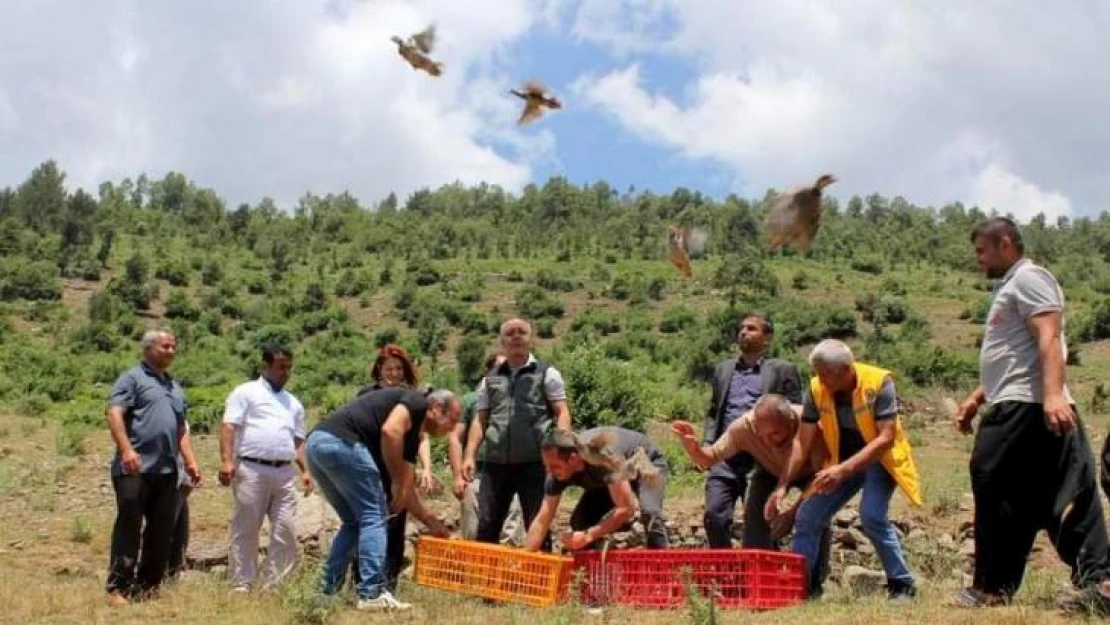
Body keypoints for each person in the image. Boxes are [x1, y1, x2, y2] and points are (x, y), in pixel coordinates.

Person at [956, 217, 1110, 613]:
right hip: (1020, 401)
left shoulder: (1030, 278)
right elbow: (1014, 357)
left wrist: (1054, 395)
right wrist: (977, 397)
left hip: (1031, 405)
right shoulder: (1012, 286)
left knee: (998, 480)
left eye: (982, 251)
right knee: (1043, 493)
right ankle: (1095, 582)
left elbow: (1049, 336)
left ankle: (997, 585)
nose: (979, 260)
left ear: (1005, 243)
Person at [768, 339, 920, 600]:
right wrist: (783, 485)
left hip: (878, 459)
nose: (820, 379)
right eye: (817, 372)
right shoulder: (817, 388)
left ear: (845, 370)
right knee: (808, 516)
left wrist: (843, 470)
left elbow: (885, 438)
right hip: (840, 460)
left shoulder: (878, 382)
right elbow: (802, 443)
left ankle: (902, 584)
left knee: (872, 516)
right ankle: (798, 588)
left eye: (825, 373)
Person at [306, 387, 458, 612]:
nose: (453, 428)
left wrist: (430, 521)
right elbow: (390, 430)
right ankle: (372, 592)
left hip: (317, 445)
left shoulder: (412, 437)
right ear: (436, 409)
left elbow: (406, 492)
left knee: (354, 523)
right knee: (374, 516)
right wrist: (395, 480)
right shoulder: (416, 402)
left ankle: (326, 592)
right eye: (453, 420)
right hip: (343, 443)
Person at [671, 393, 830, 580]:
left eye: (776, 433)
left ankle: (813, 581)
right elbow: (709, 459)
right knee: (755, 512)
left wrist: (793, 513)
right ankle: (759, 579)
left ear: (790, 420)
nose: (770, 441)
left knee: (815, 513)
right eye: (763, 436)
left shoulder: (810, 423)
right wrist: (693, 448)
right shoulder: (744, 427)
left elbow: (822, 477)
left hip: (811, 474)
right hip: (769, 471)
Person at [104, 329, 202, 607]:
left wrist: (191, 461)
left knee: (161, 531)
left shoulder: (174, 386)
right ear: (148, 349)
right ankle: (118, 588)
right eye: (165, 346)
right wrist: (126, 450)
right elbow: (114, 413)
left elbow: (181, 428)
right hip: (135, 468)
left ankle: (147, 587)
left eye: (174, 346)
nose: (171, 351)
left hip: (167, 470)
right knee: (129, 526)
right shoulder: (132, 378)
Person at [462, 318, 572, 552]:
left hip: (535, 462)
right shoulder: (489, 379)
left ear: (530, 339)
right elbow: (480, 420)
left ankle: (541, 582)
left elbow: (562, 411)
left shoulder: (547, 373)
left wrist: (561, 448)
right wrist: (469, 455)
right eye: (510, 333)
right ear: (502, 341)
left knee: (537, 523)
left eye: (521, 332)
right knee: (488, 523)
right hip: (495, 462)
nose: (516, 336)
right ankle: (485, 582)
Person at [701, 313, 802, 549]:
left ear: (768, 338)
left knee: (758, 521)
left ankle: (767, 574)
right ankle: (730, 577)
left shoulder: (783, 370)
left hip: (762, 456)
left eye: (752, 328)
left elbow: (795, 416)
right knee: (714, 516)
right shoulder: (724, 370)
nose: (743, 332)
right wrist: (707, 442)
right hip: (726, 454)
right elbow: (714, 410)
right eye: (742, 328)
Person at [218, 343, 312, 593]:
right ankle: (242, 582)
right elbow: (229, 426)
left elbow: (299, 440)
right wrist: (227, 461)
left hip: (284, 471)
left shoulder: (293, 403)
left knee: (286, 530)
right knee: (247, 527)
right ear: (265, 366)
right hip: (251, 468)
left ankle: (275, 584)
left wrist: (305, 469)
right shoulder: (246, 392)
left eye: (289, 368)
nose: (286, 373)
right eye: (281, 367)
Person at [352, 344, 431, 592]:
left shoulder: (411, 397)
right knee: (368, 523)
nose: (394, 373)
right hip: (369, 468)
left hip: (397, 471)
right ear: (379, 370)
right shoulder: (366, 395)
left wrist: (426, 467)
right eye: (389, 368)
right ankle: (361, 583)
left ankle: (389, 585)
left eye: (399, 369)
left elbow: (421, 436)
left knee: (396, 526)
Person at [522, 427, 670, 551]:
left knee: (650, 512)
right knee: (580, 524)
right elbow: (542, 520)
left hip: (643, 462)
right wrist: (524, 559)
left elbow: (626, 509)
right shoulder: (555, 475)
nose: (550, 472)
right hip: (608, 481)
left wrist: (588, 536)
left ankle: (662, 573)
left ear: (573, 458)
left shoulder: (603, 459)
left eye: (554, 466)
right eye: (546, 466)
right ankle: (589, 577)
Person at [449, 352, 525, 543]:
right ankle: (474, 570)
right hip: (476, 474)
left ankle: (508, 571)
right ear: (488, 371)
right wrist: (457, 475)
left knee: (511, 532)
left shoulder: (519, 400)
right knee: (474, 531)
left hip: (512, 473)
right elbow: (456, 438)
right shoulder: (470, 400)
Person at [166, 421, 197, 581]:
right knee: (164, 527)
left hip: (182, 478)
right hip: (168, 478)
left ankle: (172, 572)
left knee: (180, 532)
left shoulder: (176, 404)